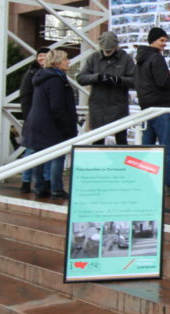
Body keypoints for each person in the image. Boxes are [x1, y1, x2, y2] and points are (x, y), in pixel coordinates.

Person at [135, 26, 170, 197]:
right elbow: (162, 82)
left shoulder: (140, 60)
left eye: (165, 40)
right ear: (153, 40)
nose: (164, 44)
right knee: (167, 147)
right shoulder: (156, 59)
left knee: (147, 148)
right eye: (162, 40)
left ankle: (145, 180)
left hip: (147, 108)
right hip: (160, 108)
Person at [21, 50, 78, 199]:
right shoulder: (55, 80)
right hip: (51, 124)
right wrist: (66, 126)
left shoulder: (42, 77)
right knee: (57, 157)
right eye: (66, 59)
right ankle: (56, 189)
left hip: (39, 122)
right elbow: (57, 106)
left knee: (40, 156)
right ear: (57, 62)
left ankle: (40, 187)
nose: (68, 62)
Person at [76, 31, 136, 145]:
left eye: (110, 49)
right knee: (98, 140)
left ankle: (121, 161)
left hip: (118, 106)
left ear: (116, 47)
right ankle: (98, 162)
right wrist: (97, 77)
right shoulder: (93, 58)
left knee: (121, 141)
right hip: (98, 107)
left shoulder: (126, 59)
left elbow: (135, 81)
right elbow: (81, 78)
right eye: (105, 50)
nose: (107, 52)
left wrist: (118, 80)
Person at [18, 47, 51, 193]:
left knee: (47, 151)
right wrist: (27, 116)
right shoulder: (30, 74)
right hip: (33, 117)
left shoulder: (51, 74)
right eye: (40, 55)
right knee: (31, 149)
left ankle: (44, 180)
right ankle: (26, 180)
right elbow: (25, 96)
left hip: (46, 119)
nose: (42, 58)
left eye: (45, 55)